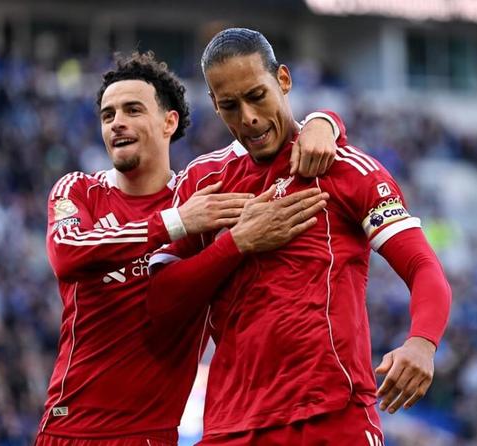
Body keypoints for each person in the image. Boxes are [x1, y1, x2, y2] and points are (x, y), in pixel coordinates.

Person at [147, 28, 452, 445]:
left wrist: (422, 342)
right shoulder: (203, 181)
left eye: (257, 96)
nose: (248, 117)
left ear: (284, 80)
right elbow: (160, 303)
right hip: (231, 424)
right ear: (215, 106)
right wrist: (236, 244)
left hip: (333, 417)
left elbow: (421, 265)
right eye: (230, 105)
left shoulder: (346, 169)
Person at [36, 50, 345, 445]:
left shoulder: (204, 194)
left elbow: (278, 143)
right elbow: (66, 253)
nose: (117, 123)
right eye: (108, 115)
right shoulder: (80, 190)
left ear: (169, 122)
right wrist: (176, 222)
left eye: (132, 110)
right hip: (68, 427)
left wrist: (325, 122)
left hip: (152, 434)